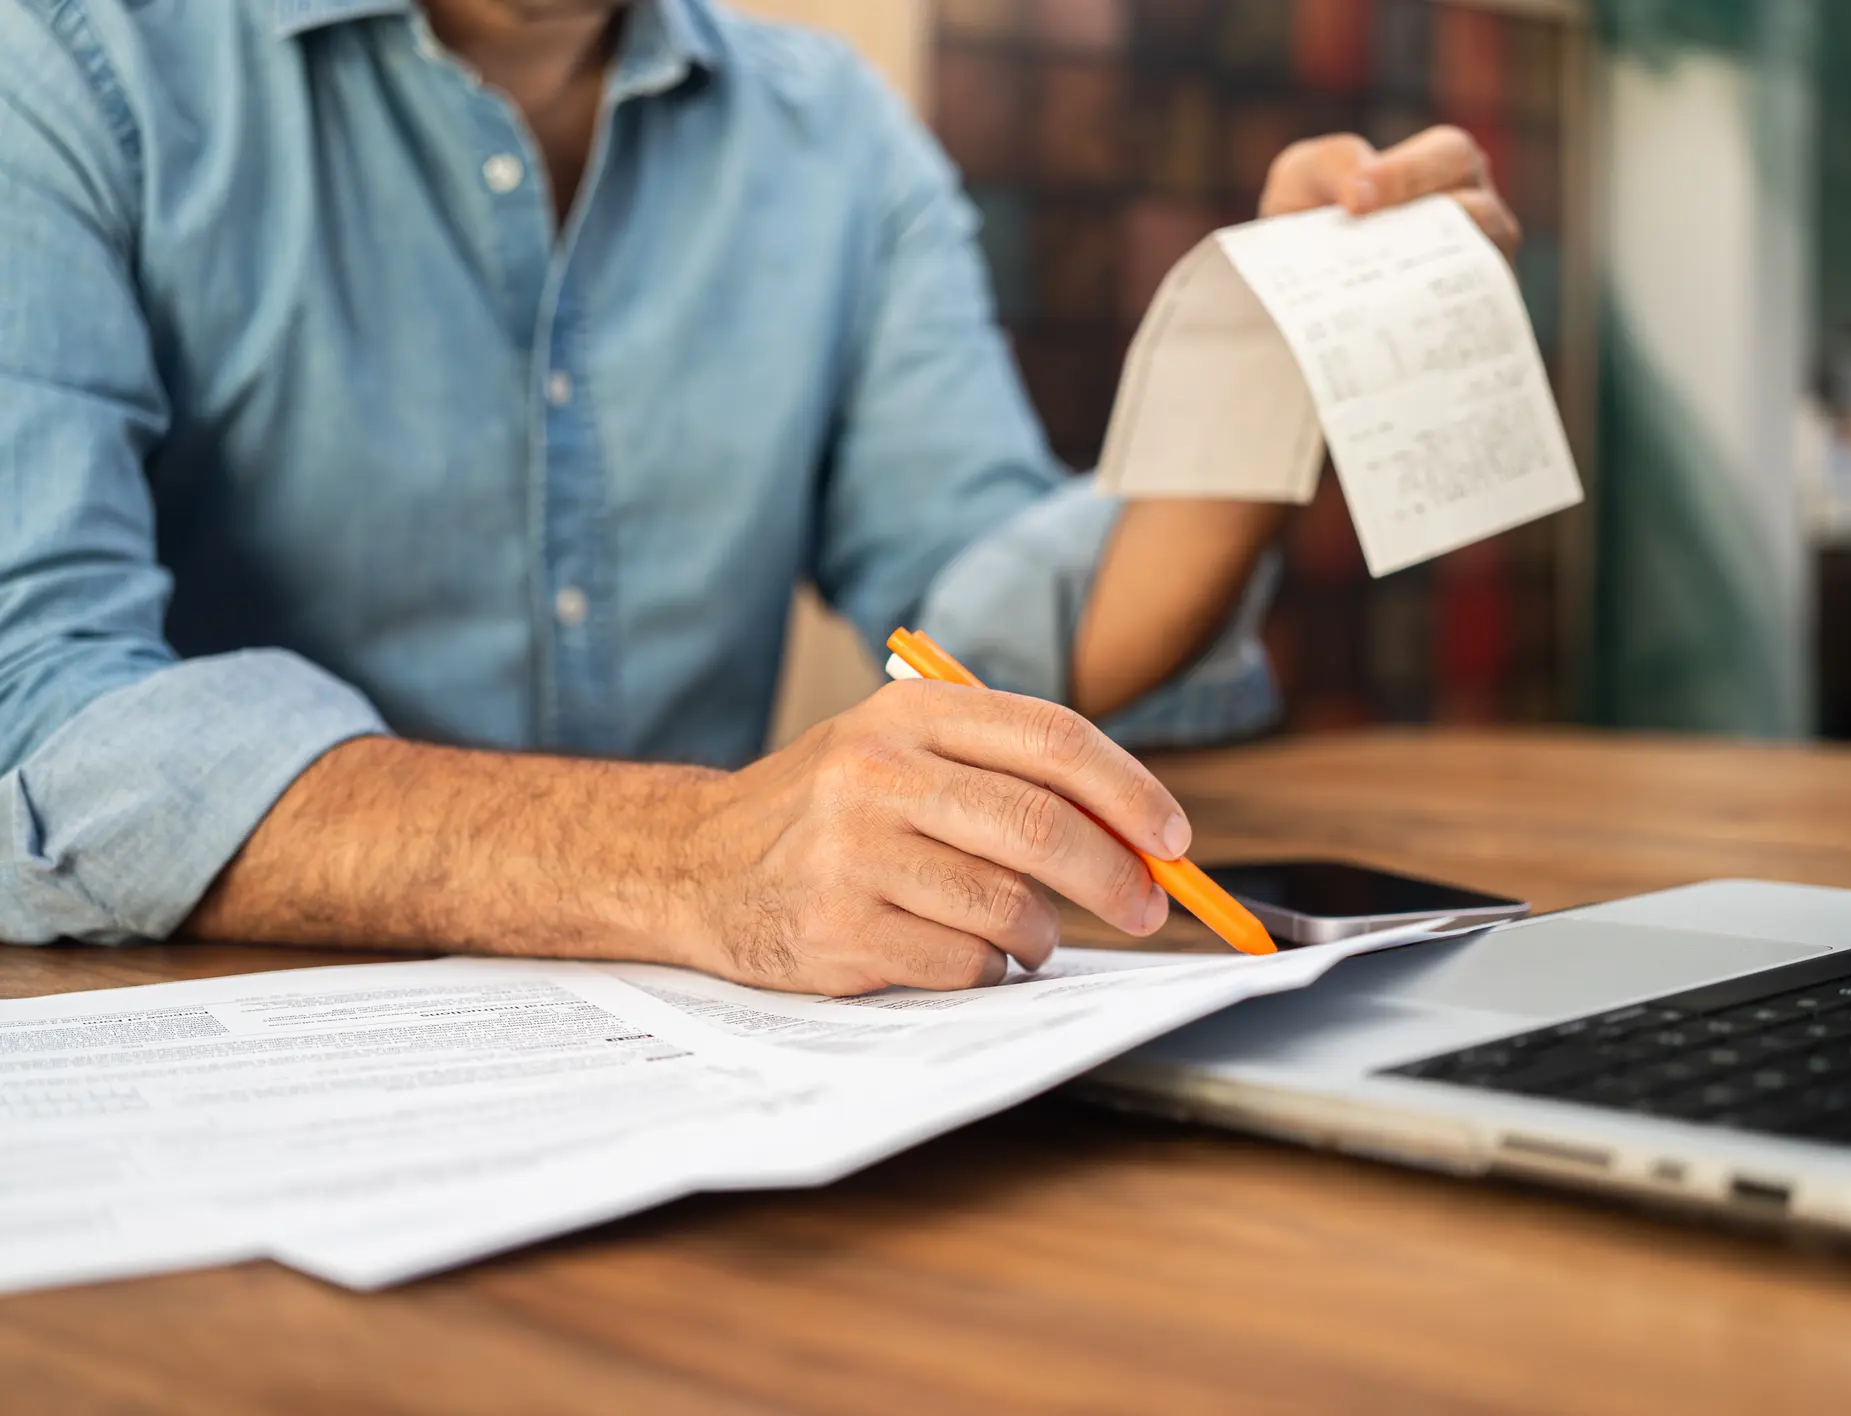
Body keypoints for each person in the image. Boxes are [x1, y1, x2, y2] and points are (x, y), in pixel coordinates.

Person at [0, 0, 1520, 995]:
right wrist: (681, 856)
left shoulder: (834, 136)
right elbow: (35, 706)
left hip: (718, 1069)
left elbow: (1002, 643)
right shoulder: (65, 70)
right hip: (217, 1073)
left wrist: (1268, 351)